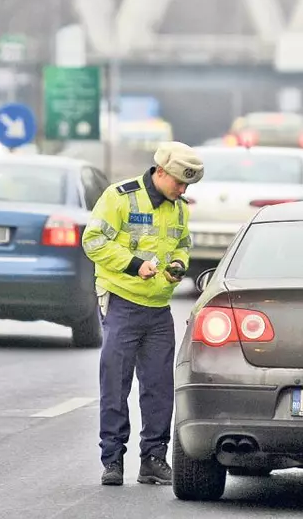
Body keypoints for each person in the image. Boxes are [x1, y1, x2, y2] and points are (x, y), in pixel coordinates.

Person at [81, 141, 204, 487]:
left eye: (187, 185)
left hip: (158, 308)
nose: (182, 190)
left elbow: (182, 243)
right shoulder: (120, 197)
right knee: (115, 383)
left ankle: (153, 458)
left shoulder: (178, 207)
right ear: (160, 172)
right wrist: (135, 265)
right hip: (122, 301)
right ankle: (112, 460)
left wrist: (179, 264)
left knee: (160, 387)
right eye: (178, 182)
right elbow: (93, 241)